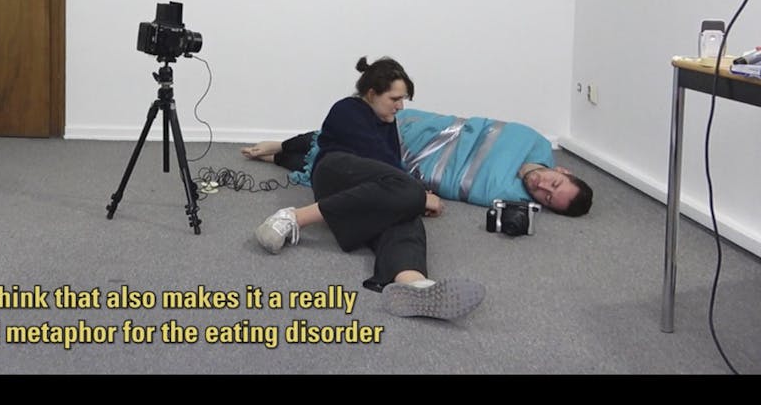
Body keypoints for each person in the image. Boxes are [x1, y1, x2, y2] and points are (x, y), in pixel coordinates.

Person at [253, 56, 486, 321]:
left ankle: (413, 284)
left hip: (372, 190)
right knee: (409, 192)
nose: (400, 106)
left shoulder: (387, 122)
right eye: (394, 98)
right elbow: (373, 157)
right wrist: (418, 195)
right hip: (336, 172)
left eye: (403, 100)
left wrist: (413, 199)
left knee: (404, 213)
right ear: (372, 93)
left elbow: (391, 168)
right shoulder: (347, 109)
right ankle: (293, 217)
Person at [243, 109, 594, 216]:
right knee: (356, 129)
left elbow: (459, 183)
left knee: (345, 163)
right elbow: (481, 128)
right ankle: (282, 145)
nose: (542, 188)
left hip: (419, 164)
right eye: (555, 183)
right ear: (563, 170)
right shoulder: (534, 142)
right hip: (436, 133)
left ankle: (279, 155)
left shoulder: (510, 197)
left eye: (548, 199)